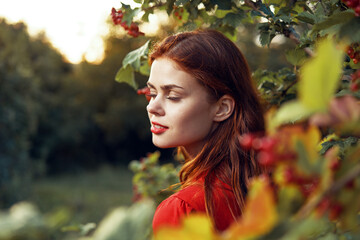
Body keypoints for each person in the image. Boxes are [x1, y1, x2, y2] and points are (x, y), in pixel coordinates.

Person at [145, 29, 265, 233]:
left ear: (222, 108)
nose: (152, 107)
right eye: (152, 93)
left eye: (173, 96)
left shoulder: (183, 210)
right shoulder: (270, 185)